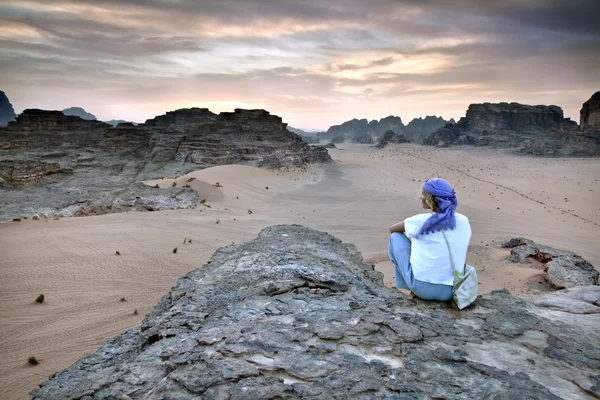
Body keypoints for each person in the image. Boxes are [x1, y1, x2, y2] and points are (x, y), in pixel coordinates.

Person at [388, 178, 471, 301]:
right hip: (452, 290)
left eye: (424, 195)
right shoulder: (464, 221)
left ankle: (412, 288)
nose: (420, 197)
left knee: (396, 237)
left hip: (423, 289)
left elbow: (392, 229)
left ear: (433, 200)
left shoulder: (420, 220)